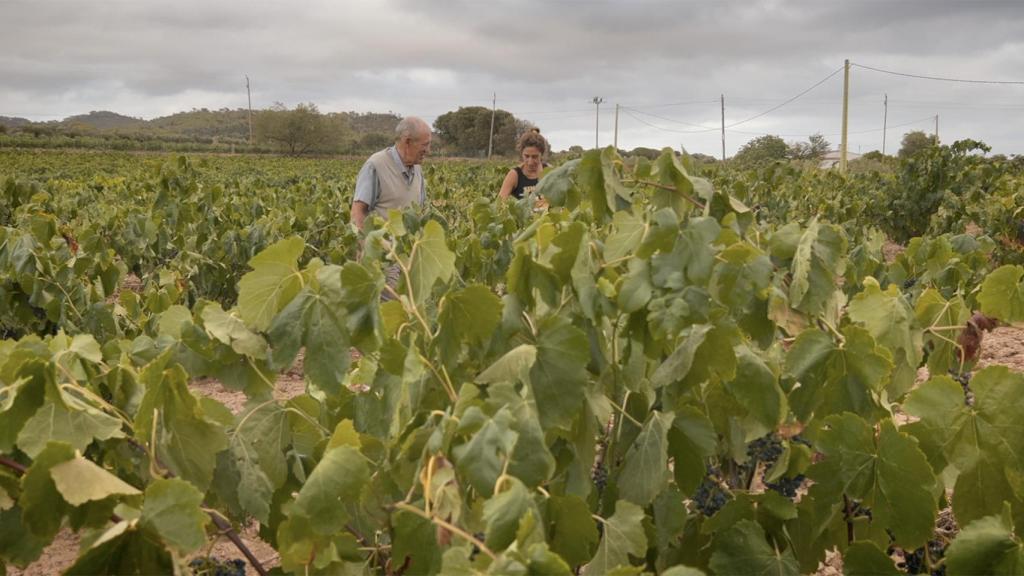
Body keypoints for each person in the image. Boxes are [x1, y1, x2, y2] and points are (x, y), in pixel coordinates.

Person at [351, 116, 432, 229]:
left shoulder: (418, 169)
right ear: (407, 141)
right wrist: (365, 244)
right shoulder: (376, 165)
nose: (428, 150)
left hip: (409, 246)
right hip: (383, 246)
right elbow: (358, 212)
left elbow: (420, 210)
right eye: (425, 145)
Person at [498, 130, 548, 200]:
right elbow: (500, 202)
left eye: (535, 157)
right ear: (521, 154)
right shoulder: (514, 175)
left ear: (541, 155)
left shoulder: (549, 172)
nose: (530, 162)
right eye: (527, 156)